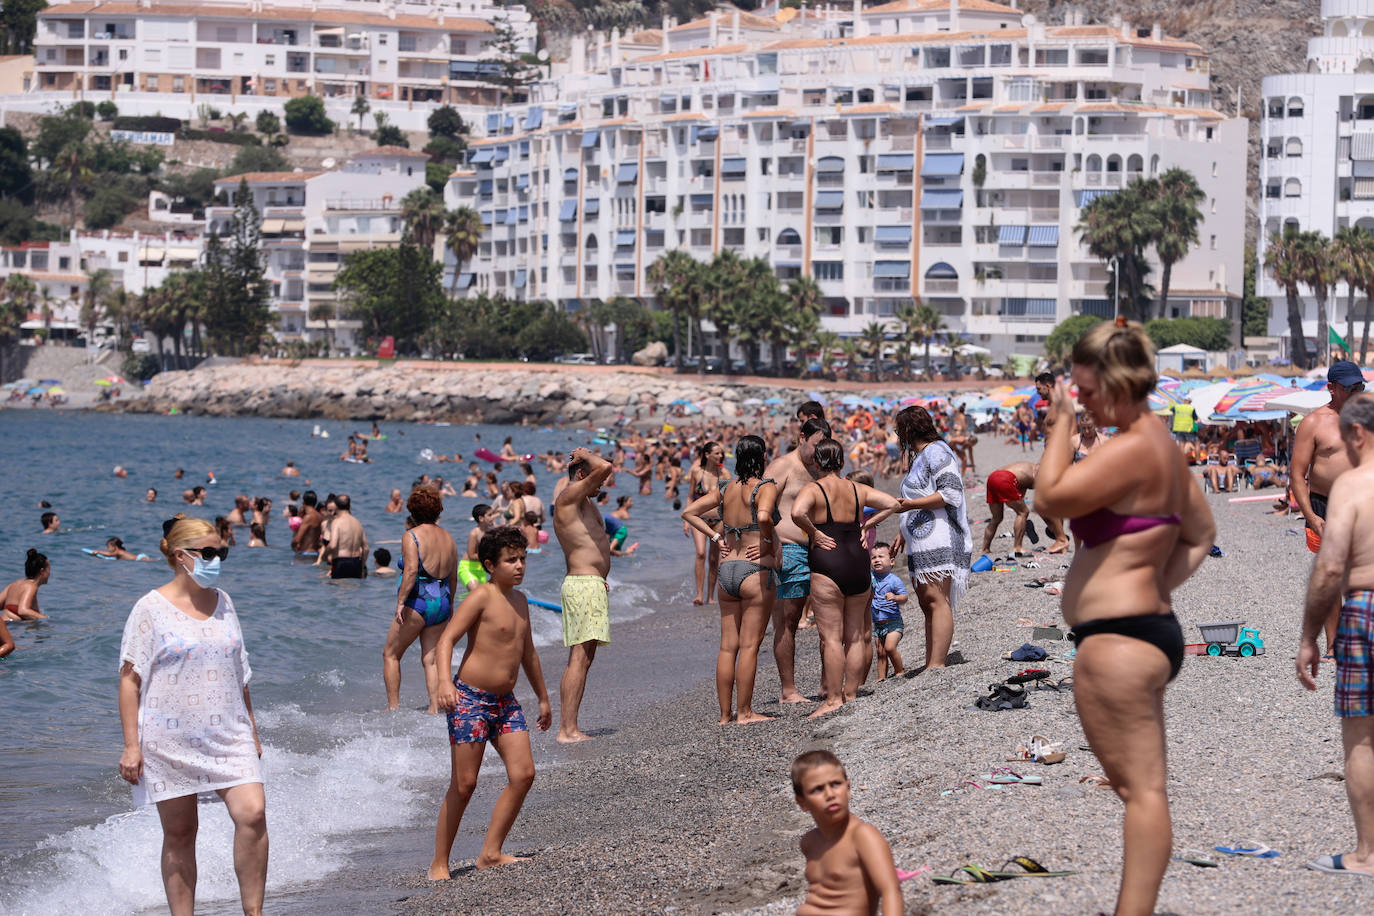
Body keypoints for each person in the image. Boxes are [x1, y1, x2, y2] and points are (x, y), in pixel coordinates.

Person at [1033, 319, 1214, 916]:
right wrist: (1151, 585)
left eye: (1085, 392)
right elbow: (1200, 534)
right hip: (1143, 630)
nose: (1080, 402)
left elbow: (1049, 498)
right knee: (1144, 790)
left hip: (1117, 639)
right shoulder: (1159, 444)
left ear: (1114, 384)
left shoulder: (1134, 447)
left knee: (1141, 794)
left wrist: (1059, 421)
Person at [118, 515, 267, 916]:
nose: (217, 559)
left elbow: (241, 672)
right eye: (209, 553)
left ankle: (254, 912)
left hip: (229, 732)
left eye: (222, 552)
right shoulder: (149, 608)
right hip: (169, 738)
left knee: (252, 812)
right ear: (181, 556)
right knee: (181, 833)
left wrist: (252, 729)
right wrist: (131, 746)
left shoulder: (225, 601)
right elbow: (129, 680)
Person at [428, 525, 552, 880]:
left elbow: (528, 654)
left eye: (522, 559)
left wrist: (543, 697)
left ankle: (491, 853)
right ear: (489, 565)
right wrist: (442, 683)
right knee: (465, 784)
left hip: (506, 702)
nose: (519, 566)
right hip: (469, 699)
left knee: (524, 774)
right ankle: (439, 863)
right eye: (511, 560)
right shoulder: (481, 596)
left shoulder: (521, 601)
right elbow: (446, 640)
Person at [1299, 393, 1374, 878]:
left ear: (1359, 434)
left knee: (1362, 740)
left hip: (1366, 608)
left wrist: (1309, 635)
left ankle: (1368, 855)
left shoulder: (1354, 485)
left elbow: (1329, 569)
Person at [791, 438, 899, 716]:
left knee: (830, 637)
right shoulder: (857, 488)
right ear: (841, 463)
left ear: (816, 462)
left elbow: (796, 512)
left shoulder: (813, 488)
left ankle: (833, 700)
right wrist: (868, 524)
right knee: (854, 637)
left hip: (829, 560)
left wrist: (814, 532)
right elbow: (892, 503)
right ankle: (851, 694)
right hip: (857, 560)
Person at [681, 434, 779, 725]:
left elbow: (689, 512)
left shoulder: (725, 487)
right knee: (749, 646)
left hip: (727, 570)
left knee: (727, 646)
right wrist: (767, 541)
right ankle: (745, 713)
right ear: (762, 458)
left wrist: (714, 536)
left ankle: (725, 715)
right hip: (754, 570)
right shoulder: (764, 486)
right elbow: (763, 516)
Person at [878, 406, 971, 673]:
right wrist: (902, 531)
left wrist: (909, 506)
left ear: (908, 430)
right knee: (926, 601)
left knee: (936, 599)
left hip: (939, 536)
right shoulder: (923, 456)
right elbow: (918, 499)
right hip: (920, 537)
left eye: (899, 430)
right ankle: (932, 661)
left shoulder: (937, 451)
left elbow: (950, 493)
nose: (898, 436)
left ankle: (937, 663)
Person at [1293, 360, 1366, 657]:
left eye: (1359, 387)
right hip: (1326, 505)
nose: (1355, 392)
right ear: (1332, 389)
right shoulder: (1313, 423)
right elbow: (1297, 475)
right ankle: (1335, 644)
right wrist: (1311, 516)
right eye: (1349, 388)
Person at [764, 418, 829, 703]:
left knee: (827, 621)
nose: (818, 452)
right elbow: (761, 505)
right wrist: (772, 542)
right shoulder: (783, 466)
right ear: (801, 437)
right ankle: (788, 690)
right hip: (789, 550)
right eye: (815, 445)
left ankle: (827, 685)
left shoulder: (822, 466)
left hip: (821, 551)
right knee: (788, 621)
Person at [791, 750, 902, 916]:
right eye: (817, 789)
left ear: (848, 788)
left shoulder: (862, 836)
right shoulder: (809, 842)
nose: (830, 794)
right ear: (802, 803)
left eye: (835, 784)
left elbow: (890, 891)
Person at [552, 448, 614, 743]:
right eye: (594, 481)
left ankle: (569, 726)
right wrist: (586, 454)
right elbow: (605, 466)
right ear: (581, 475)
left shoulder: (584, 502)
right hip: (583, 584)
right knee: (579, 657)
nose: (601, 486)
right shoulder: (568, 498)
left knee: (582, 658)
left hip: (590, 584)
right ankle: (568, 730)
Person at [384, 486, 459, 714]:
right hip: (442, 600)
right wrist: (451, 604)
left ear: (413, 511)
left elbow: (411, 571)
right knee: (431, 659)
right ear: (438, 510)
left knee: (391, 654)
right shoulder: (448, 537)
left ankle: (393, 708)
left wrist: (400, 603)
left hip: (418, 601)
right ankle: (435, 707)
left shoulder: (412, 535)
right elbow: (453, 576)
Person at [687, 441, 728, 605]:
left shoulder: (724, 474)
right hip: (698, 519)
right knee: (701, 553)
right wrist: (685, 520)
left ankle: (711, 596)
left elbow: (729, 499)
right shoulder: (697, 472)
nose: (720, 456)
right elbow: (691, 496)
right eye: (717, 453)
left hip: (719, 520)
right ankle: (699, 594)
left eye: (721, 453)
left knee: (713, 558)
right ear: (707, 454)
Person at [979, 461, 1045, 558]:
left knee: (996, 518)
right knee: (1023, 512)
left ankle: (985, 549)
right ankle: (1017, 547)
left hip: (993, 477)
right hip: (1006, 478)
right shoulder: (1041, 474)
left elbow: (1021, 488)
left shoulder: (1029, 467)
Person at [869, 543, 907, 680]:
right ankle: (881, 677)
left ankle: (899, 671)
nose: (877, 560)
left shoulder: (894, 580)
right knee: (881, 653)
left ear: (891, 561)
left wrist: (895, 597)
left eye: (881, 556)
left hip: (894, 623)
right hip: (878, 624)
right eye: (873, 558)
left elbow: (904, 598)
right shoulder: (870, 577)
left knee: (890, 648)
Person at [326, 494, 368, 579]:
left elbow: (333, 545)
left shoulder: (336, 522)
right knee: (354, 591)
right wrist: (362, 567)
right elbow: (366, 548)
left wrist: (325, 553)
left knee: (338, 590)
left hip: (341, 562)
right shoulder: (358, 523)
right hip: (356, 563)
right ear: (350, 506)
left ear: (336, 507)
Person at [1, 549, 50, 620]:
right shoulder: (31, 586)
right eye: (49, 570)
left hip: (5, 624)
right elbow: (23, 611)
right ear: (42, 571)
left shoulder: (13, 585)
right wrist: (46, 618)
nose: (49, 574)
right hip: (13, 627)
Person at [459, 504, 498, 591]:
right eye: (490, 515)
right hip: (468, 568)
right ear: (481, 518)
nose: (493, 517)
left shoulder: (491, 533)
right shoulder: (474, 533)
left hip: (481, 569)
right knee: (476, 592)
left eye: (493, 514)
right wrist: (489, 557)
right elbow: (472, 555)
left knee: (483, 596)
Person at [291, 490, 323, 555]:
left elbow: (297, 540)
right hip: (315, 552)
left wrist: (292, 546)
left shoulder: (308, 517)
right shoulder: (319, 516)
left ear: (303, 501)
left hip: (305, 553)